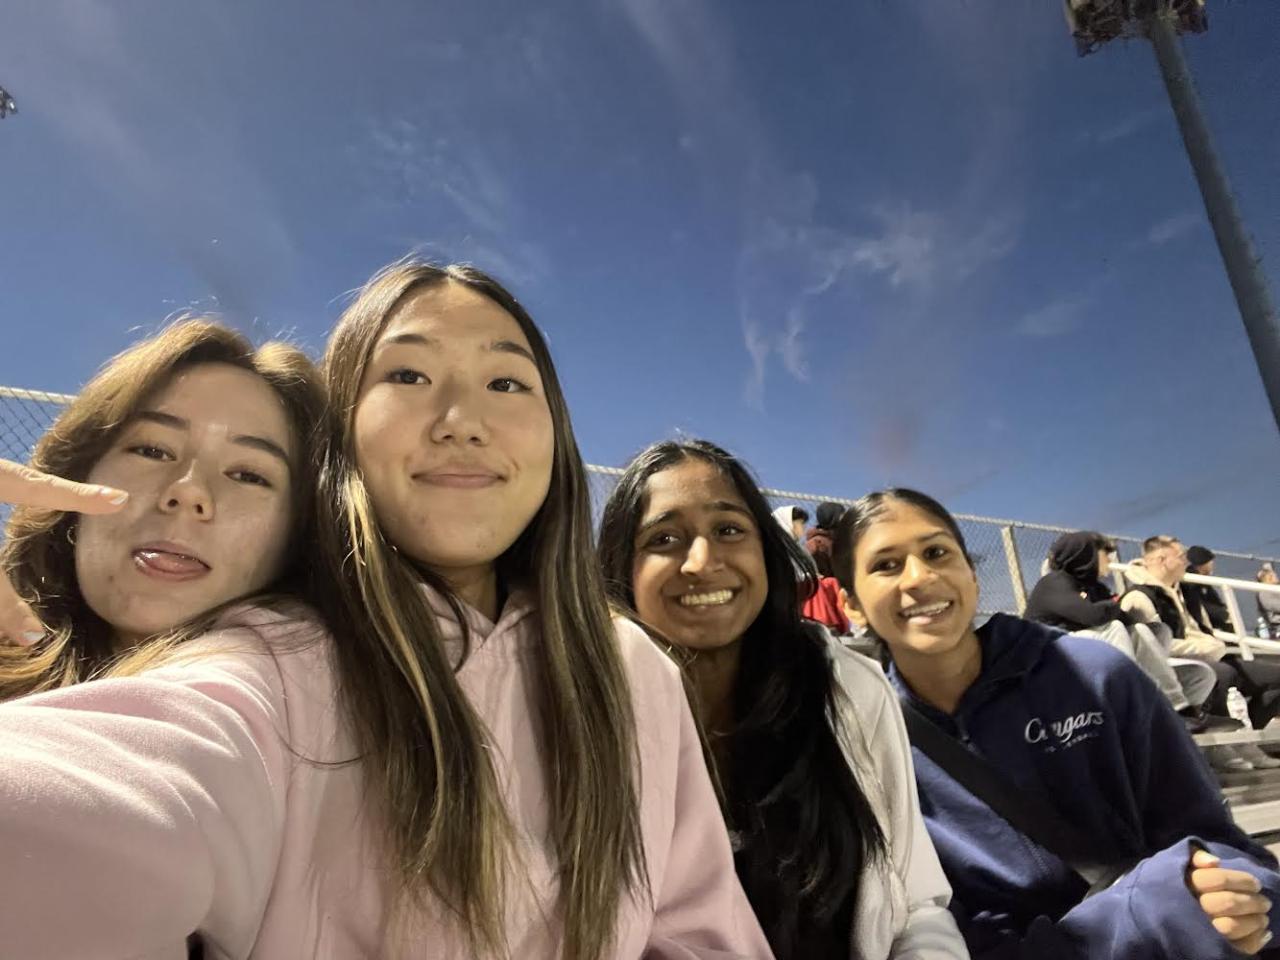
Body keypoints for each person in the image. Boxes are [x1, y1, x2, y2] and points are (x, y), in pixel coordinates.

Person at [0, 268, 770, 959]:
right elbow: (79, 808)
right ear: (341, 437)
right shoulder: (277, 666)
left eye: (507, 382)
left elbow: (701, 932)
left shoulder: (632, 667)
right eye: (407, 373)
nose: (461, 420)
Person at [831, 488, 1280, 960]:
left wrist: (1234, 899)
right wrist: (1135, 921)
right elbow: (924, 923)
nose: (920, 577)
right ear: (851, 604)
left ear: (971, 575)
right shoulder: (866, 743)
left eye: (937, 553)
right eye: (886, 565)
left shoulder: (1095, 675)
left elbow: (1219, 841)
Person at [598, 440, 967, 960]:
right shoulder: (585, 717)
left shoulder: (846, 689)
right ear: (621, 568)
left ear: (766, 552)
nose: (701, 562)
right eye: (664, 539)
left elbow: (917, 904)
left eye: (728, 530)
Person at [1022, 532, 1224, 732]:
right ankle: (1142, 709)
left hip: (1094, 665)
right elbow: (1093, 615)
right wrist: (1117, 606)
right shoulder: (1054, 583)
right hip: (1050, 665)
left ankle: (1176, 713)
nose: (1110, 560)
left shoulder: (1095, 589)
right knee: (1116, 628)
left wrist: (1120, 610)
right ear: (1087, 555)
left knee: (1196, 671)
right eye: (1105, 554)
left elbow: (1120, 617)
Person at [1122, 537, 1280, 764]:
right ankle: (1221, 745)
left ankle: (1247, 740)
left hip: (1212, 654)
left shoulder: (1186, 590)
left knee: (1275, 675)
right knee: (1222, 673)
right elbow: (1151, 645)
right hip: (1177, 662)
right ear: (1162, 560)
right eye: (1181, 556)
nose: (1187, 562)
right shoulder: (1139, 597)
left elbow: (1204, 630)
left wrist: (1212, 645)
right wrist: (1205, 647)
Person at [1183, 546, 1234, 633]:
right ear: (1203, 564)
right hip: (1203, 626)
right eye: (1210, 562)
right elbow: (1199, 605)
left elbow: (1215, 601)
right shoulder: (1190, 583)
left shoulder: (1203, 582)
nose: (1212, 565)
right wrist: (1224, 615)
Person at [1259, 565, 1280, 633]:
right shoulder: (1264, 593)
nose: (1276, 576)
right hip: (1277, 624)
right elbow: (1276, 606)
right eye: (1273, 576)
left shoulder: (1276, 588)